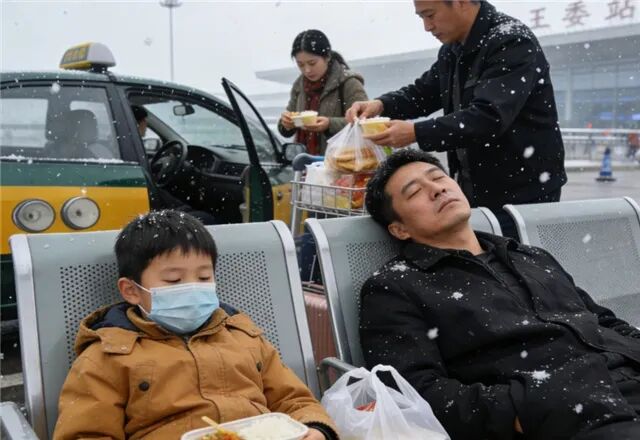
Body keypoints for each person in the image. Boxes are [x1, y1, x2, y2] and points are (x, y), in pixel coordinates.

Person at [359, 149, 640, 440]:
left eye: (438, 177)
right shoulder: (395, 287)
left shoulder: (530, 257)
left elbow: (602, 320)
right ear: (399, 229)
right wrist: (523, 409)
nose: (437, 189)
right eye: (415, 192)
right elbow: (413, 391)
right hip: (566, 409)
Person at [53, 210, 338, 440]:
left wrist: (315, 428)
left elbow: (294, 399)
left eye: (203, 278)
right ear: (131, 290)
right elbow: (86, 432)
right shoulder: (108, 356)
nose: (192, 288)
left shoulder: (243, 336)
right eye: (174, 280)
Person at [346, 0, 567, 238]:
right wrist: (381, 105)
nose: (427, 27)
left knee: (517, 257)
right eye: (421, 17)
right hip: (475, 186)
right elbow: (423, 93)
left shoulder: (511, 41)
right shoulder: (453, 49)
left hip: (522, 191)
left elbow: (488, 117)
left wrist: (415, 133)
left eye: (430, 15)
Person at [279, 29, 368, 156]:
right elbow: (289, 120)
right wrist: (286, 123)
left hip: (341, 161)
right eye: (301, 65)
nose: (307, 70)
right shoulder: (299, 86)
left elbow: (364, 122)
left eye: (312, 63)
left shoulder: (348, 83)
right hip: (306, 162)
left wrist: (329, 124)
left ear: (327, 57)